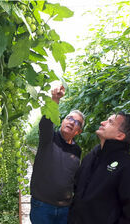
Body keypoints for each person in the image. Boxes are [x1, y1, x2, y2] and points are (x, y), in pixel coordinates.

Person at [68, 112, 130, 224]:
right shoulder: (90, 157)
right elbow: (78, 191)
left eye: (110, 122)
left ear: (120, 135)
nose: (102, 122)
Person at [30, 85, 85, 224]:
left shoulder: (77, 150)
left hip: (65, 209)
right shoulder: (48, 139)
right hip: (42, 206)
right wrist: (55, 99)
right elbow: (46, 123)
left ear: (78, 131)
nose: (72, 122)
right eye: (70, 118)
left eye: (77, 122)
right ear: (62, 121)